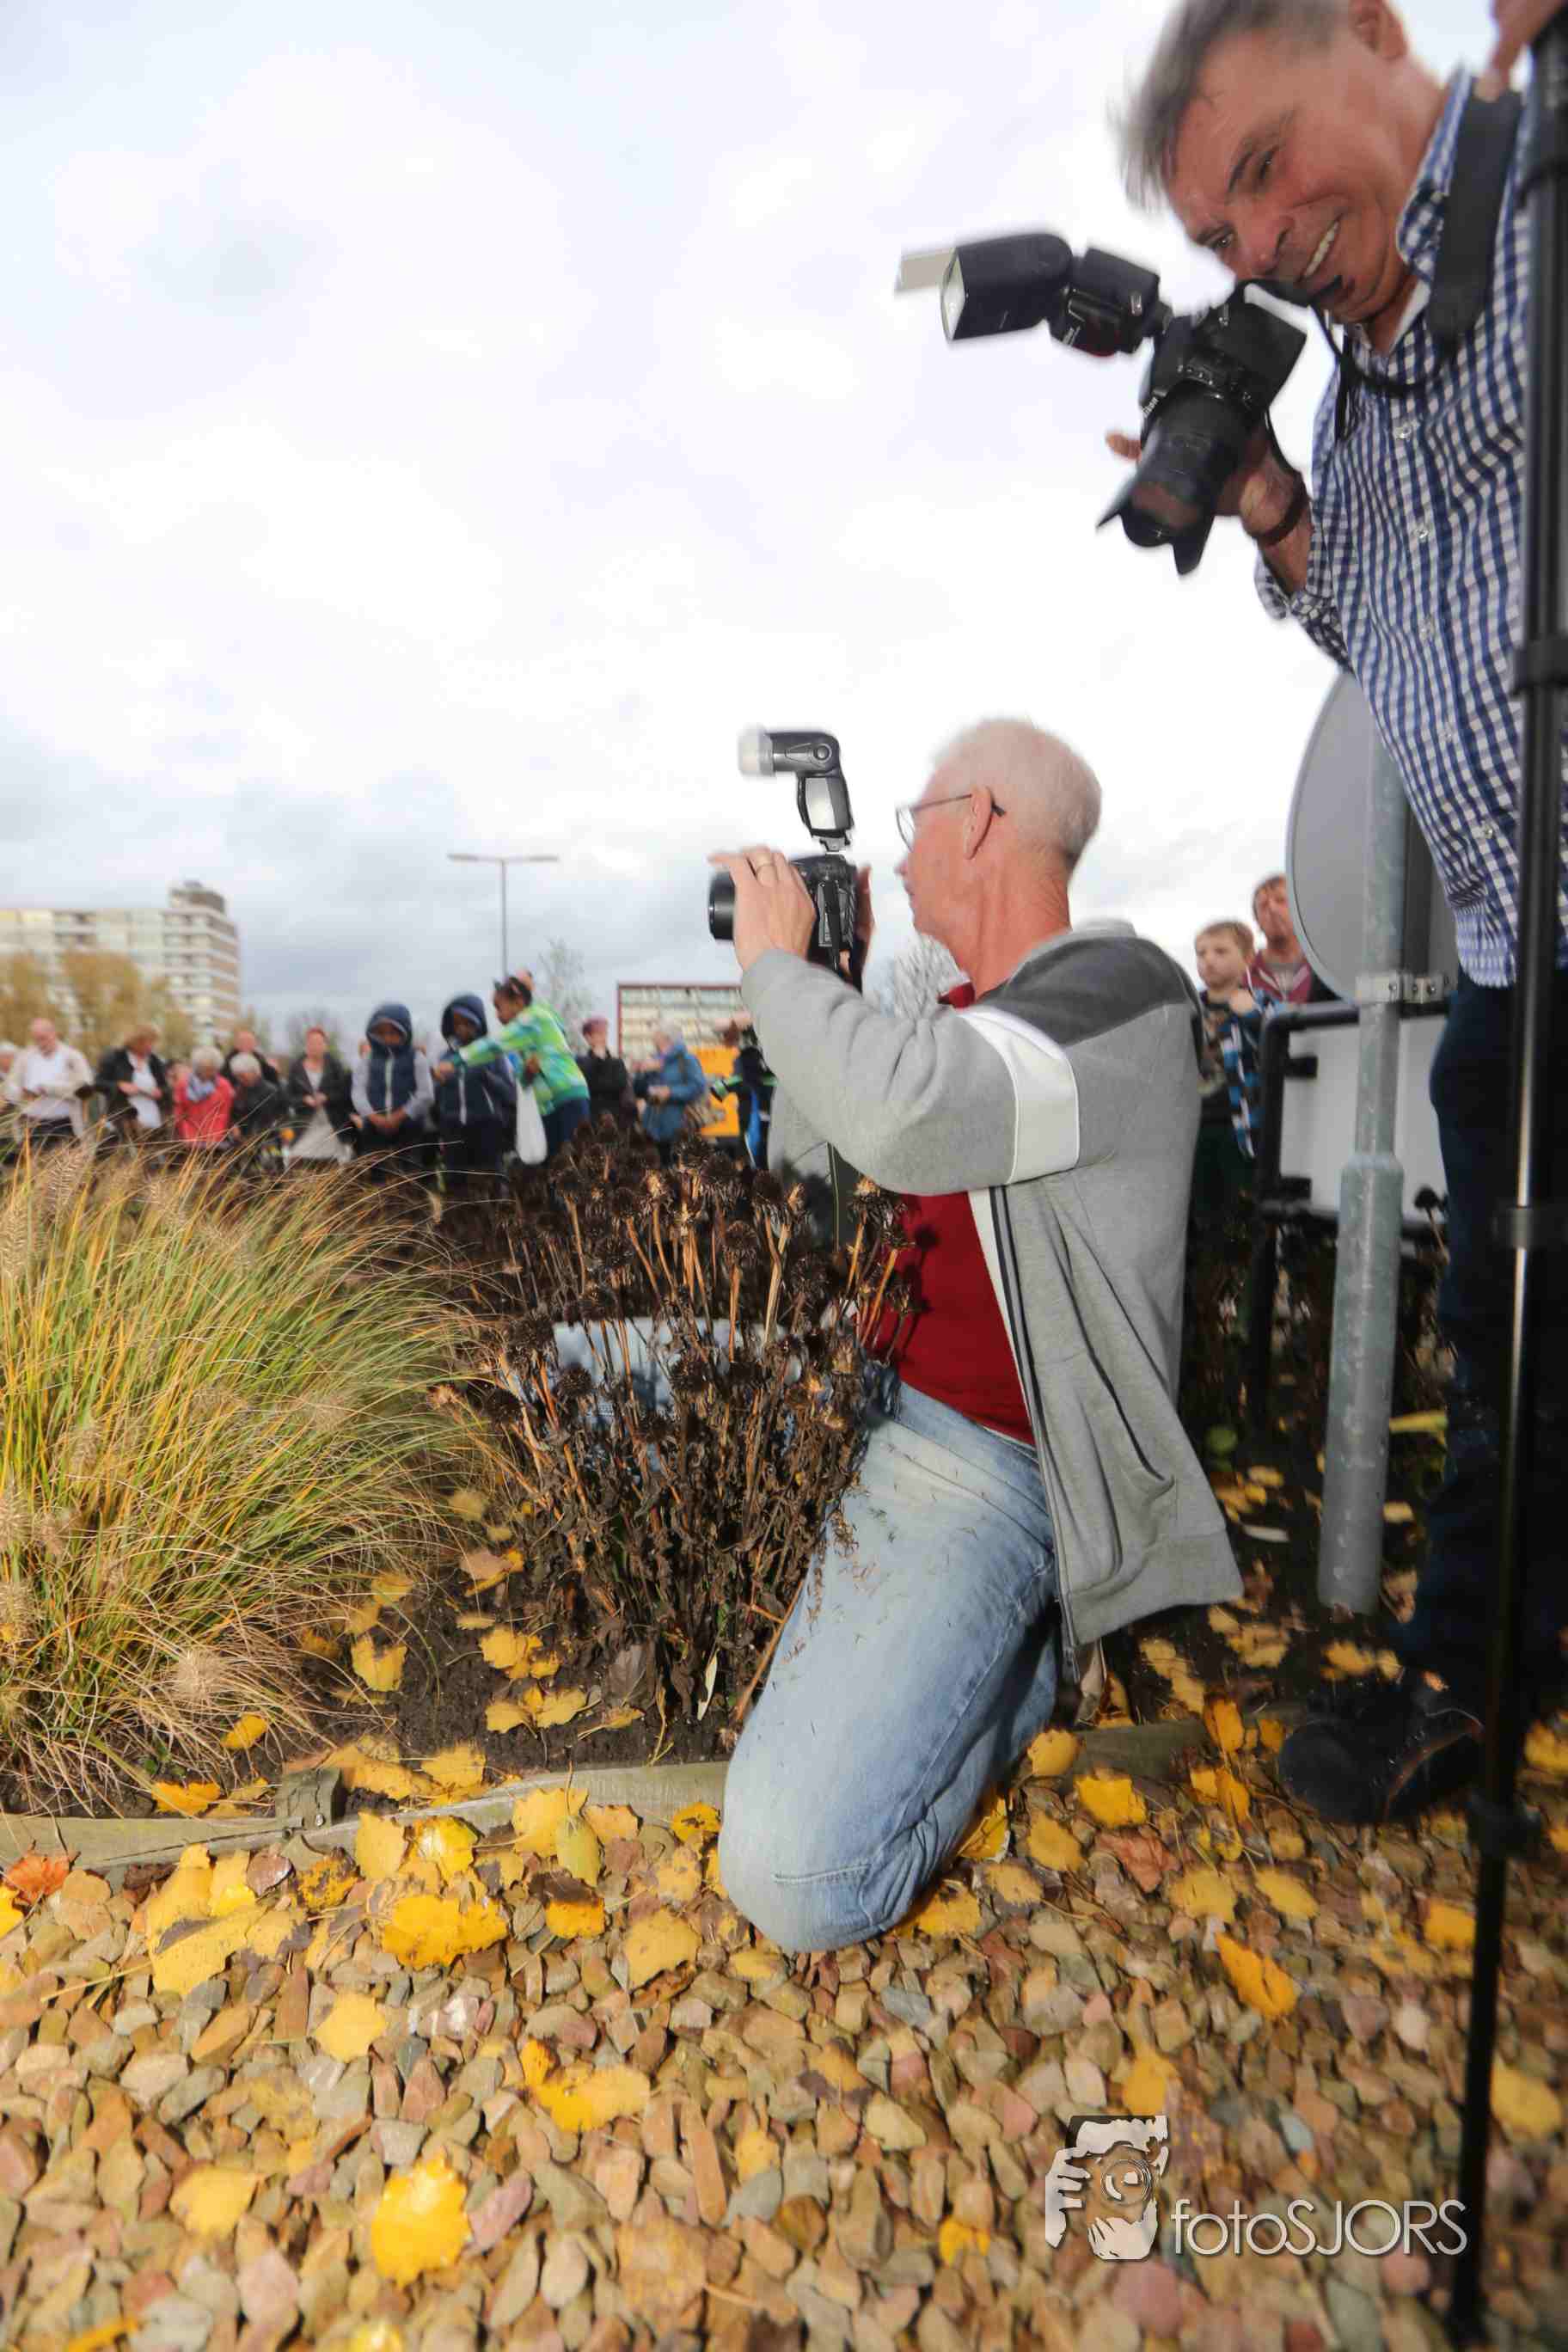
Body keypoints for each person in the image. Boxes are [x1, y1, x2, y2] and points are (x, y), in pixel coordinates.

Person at [1116, 0, 1568, 1823]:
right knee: (1509, 1352)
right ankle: (1467, 1691)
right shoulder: (1356, 389)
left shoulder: (1535, 187)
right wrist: (1271, 502)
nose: (1259, 243)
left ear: (1371, 32)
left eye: (1261, 166)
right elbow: (1380, 636)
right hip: (1509, 957)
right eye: (1217, 232)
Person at [707, 719, 1239, 1951]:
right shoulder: (960, 1018)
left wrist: (775, 969)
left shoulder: (1122, 996)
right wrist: (828, 986)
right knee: (577, 1381)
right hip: (857, 1384)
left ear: (984, 822)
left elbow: (909, 1112)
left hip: (986, 1458)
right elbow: (813, 1182)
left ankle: (1029, 1664)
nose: (894, 864)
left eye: (916, 826)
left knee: (795, 1876)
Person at [434, 975, 589, 1161]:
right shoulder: (527, 1035)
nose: (497, 1015)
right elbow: (523, 1078)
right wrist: (527, 1075)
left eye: (499, 1007)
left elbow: (494, 1045)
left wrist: (456, 1060)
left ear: (518, 1001)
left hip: (565, 1095)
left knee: (572, 1158)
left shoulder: (532, 1018)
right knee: (558, 1161)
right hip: (552, 1102)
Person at [1192, 921, 1262, 1221]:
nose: (1208, 959)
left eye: (1220, 951)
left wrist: (1253, 1017)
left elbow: (1279, 1050)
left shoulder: (1260, 1004)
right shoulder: (1188, 1010)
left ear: (1248, 958)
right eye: (1201, 953)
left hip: (1242, 1130)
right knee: (1201, 1213)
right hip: (1195, 1129)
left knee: (1242, 1213)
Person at [433, 994, 517, 1184]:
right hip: (453, 1131)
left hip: (487, 1129)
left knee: (490, 1184)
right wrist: (438, 1083)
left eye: (467, 1022)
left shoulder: (493, 1054)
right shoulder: (444, 1058)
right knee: (455, 1187)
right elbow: (436, 1099)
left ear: (478, 1023)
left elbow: (510, 1094)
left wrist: (484, 1074)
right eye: (456, 1022)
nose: (461, 1027)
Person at [350, 1004, 434, 1177]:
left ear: (405, 1032)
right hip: (374, 1130)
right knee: (377, 1180)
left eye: (393, 1032)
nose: (387, 1037)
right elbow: (357, 1092)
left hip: (409, 1130)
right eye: (382, 1033)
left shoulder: (417, 1058)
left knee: (408, 1179)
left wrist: (399, 1116)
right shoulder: (367, 1060)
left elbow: (426, 1094)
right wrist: (374, 1117)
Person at [4, 1018, 94, 1148]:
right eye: (36, 1039)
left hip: (64, 1123)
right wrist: (20, 1093)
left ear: (54, 1033)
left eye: (43, 1038)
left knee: (65, 1159)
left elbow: (85, 1088)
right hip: (31, 1123)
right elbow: (11, 1086)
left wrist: (48, 1089)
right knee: (30, 1160)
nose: (41, 1043)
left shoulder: (73, 1056)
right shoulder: (24, 1057)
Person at [631, 1029, 709, 1166]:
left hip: (680, 1127)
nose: (653, 1037)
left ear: (667, 1039)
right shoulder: (653, 1059)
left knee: (678, 1169)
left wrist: (671, 1092)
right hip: (652, 1128)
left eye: (656, 1033)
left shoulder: (687, 1059)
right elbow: (639, 1091)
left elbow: (698, 1087)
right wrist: (641, 1072)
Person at [1246, 874, 1326, 1008]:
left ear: (1300, 909)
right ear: (1257, 920)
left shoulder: (1325, 965)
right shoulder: (1245, 973)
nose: (1272, 909)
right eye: (1263, 905)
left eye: (1281, 900)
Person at [283, 1027, 354, 1167]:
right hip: (304, 1122)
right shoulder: (296, 1067)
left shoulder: (336, 1066)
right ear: (306, 1045)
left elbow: (344, 1094)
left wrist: (326, 1097)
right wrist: (304, 1099)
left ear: (325, 1045)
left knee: (331, 1164)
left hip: (331, 1122)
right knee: (297, 1159)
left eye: (319, 1043)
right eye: (312, 1043)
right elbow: (288, 1097)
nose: (315, 1046)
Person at [714, 1015, 777, 1168]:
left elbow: (746, 1080)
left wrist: (722, 1087)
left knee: (757, 1153)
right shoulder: (749, 1055)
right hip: (756, 1112)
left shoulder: (747, 1055)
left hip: (754, 1114)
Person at [95, 1024, 172, 1142]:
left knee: (152, 1150)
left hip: (153, 1121)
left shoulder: (155, 1061)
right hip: (123, 1119)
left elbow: (166, 1088)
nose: (151, 1046)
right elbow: (98, 1083)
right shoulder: (115, 1057)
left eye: (153, 1042)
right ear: (136, 1041)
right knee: (126, 1151)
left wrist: (160, 1092)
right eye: (148, 1042)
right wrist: (119, 1086)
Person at [577, 1015, 636, 1124]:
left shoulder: (617, 1062)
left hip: (616, 1118)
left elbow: (620, 1084)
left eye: (605, 1033)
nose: (604, 1038)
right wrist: (599, 1061)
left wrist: (602, 1064)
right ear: (588, 1038)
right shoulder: (581, 1061)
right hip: (592, 1118)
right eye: (599, 1034)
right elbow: (587, 1086)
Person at [225, 1052, 286, 1157]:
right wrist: (233, 1125)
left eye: (243, 1075)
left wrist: (250, 1139)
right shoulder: (238, 1090)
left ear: (254, 1072)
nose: (240, 1079)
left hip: (265, 1142)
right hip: (241, 1142)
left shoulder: (270, 1091)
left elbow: (268, 1119)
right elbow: (233, 1113)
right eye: (237, 1076)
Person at [173, 1047, 235, 1146]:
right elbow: (180, 1113)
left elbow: (223, 1114)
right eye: (207, 1069)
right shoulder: (182, 1085)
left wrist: (214, 1136)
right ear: (198, 1068)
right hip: (189, 1138)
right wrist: (187, 1135)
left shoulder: (224, 1085)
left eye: (214, 1069)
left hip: (214, 1139)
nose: (211, 1073)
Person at [223, 1028, 284, 1092]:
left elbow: (274, 1083)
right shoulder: (228, 1062)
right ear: (236, 1044)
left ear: (255, 1044)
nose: (246, 1044)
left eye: (249, 1041)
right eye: (242, 1041)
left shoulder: (261, 1061)